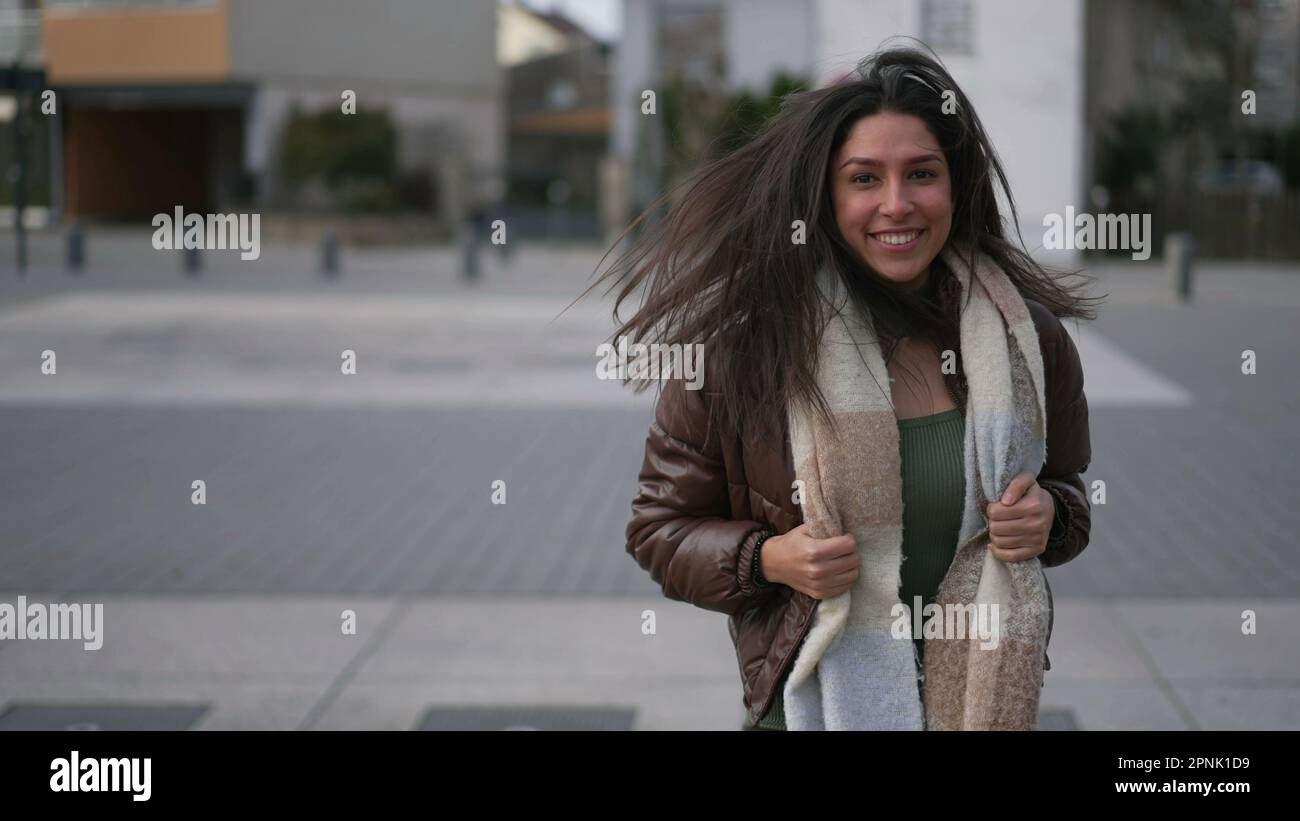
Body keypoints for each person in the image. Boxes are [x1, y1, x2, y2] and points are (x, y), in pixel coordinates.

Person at [589, 45, 1101, 730]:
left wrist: (1050, 516)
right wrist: (767, 558)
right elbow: (657, 530)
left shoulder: (1025, 343)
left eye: (922, 173)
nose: (897, 204)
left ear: (956, 186)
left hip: (982, 698)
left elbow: (1071, 493)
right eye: (864, 178)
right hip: (813, 710)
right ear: (826, 198)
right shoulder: (743, 352)